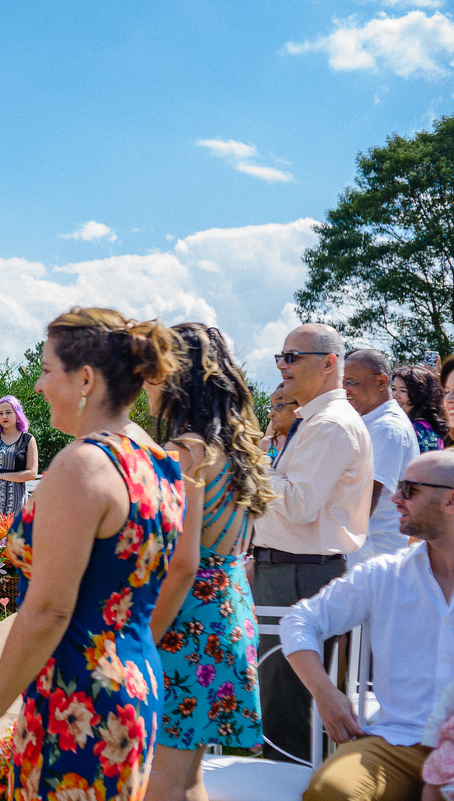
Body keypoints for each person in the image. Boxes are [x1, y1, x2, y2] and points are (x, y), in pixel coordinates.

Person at [0, 306, 185, 800]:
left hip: (79, 696)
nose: (38, 386)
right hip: (136, 679)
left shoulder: (82, 465)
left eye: (45, 370)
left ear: (85, 379)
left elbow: (49, 608)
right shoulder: (160, 460)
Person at [145, 323, 276, 801]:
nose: (145, 383)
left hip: (187, 622)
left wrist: (142, 639)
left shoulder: (188, 453)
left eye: (153, 372)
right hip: (229, 611)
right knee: (189, 777)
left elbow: (182, 563)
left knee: (159, 781)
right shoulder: (236, 451)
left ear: (177, 377)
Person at [281, 450, 454, 801]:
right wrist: (325, 693)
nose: (395, 497)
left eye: (409, 489)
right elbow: (300, 620)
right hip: (396, 741)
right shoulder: (385, 573)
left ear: (451, 500)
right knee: (332, 792)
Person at [249, 323, 374, 764]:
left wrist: (252, 470)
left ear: (328, 363)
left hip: (300, 571)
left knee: (288, 714)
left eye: (292, 357)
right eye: (280, 357)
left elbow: (300, 504)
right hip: (287, 568)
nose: (282, 367)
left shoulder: (332, 425)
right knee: (279, 704)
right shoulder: (314, 421)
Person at [346, 349, 420, 566]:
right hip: (362, 554)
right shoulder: (370, 420)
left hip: (373, 555)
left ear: (381, 381)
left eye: (351, 382)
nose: (345, 390)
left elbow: (367, 496)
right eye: (342, 382)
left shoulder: (388, 428)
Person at [0, 395, 38, 528]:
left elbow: (32, 473)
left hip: (13, 495)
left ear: (17, 414)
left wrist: (2, 475)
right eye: (0, 413)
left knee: (7, 536)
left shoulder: (27, 439)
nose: (4, 416)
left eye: (8, 412)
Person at [393, 364, 449, 453]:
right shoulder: (432, 429)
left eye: (403, 391)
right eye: (393, 389)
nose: (395, 395)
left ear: (419, 395)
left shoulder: (409, 431)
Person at [260, 383, 298, 462]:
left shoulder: (307, 443)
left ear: (299, 406)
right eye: (271, 406)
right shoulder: (266, 443)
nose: (270, 414)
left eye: (279, 406)